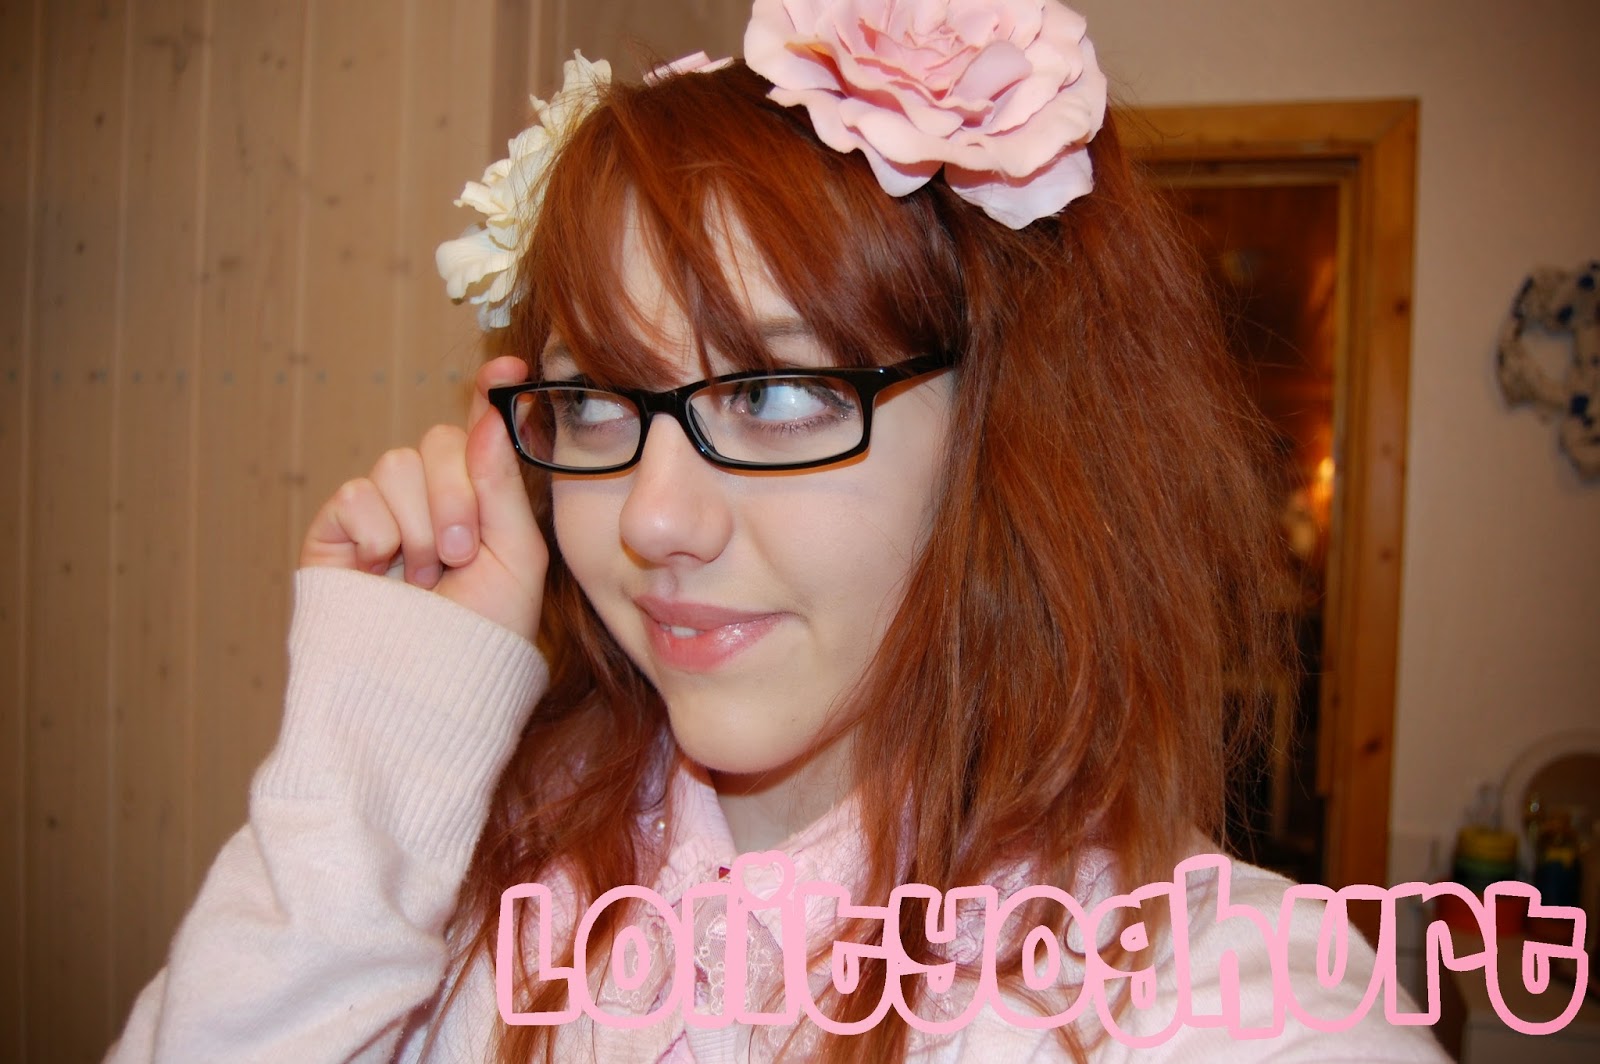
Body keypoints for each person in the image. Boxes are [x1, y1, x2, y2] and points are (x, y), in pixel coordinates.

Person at [109, 2, 1451, 1061]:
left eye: (771, 394)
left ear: (1005, 435)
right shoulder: (455, 899)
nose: (653, 518)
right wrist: (388, 739)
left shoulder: (1225, 999)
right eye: (598, 401)